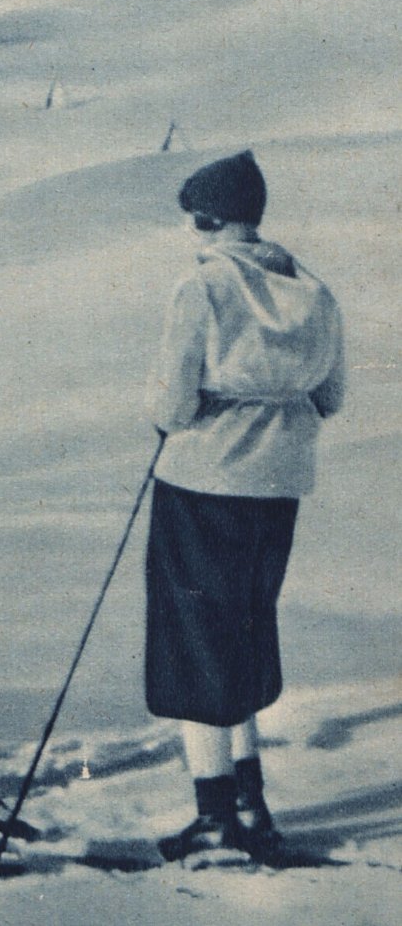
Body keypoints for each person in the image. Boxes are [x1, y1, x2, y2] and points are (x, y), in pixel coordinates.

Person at [145, 151, 344, 865]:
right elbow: (331, 397)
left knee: (194, 636)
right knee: (246, 630)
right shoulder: (313, 290)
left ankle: (214, 813)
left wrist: (186, 414)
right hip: (280, 484)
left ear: (207, 219)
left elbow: (172, 405)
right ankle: (253, 805)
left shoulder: (202, 287)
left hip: (203, 481)